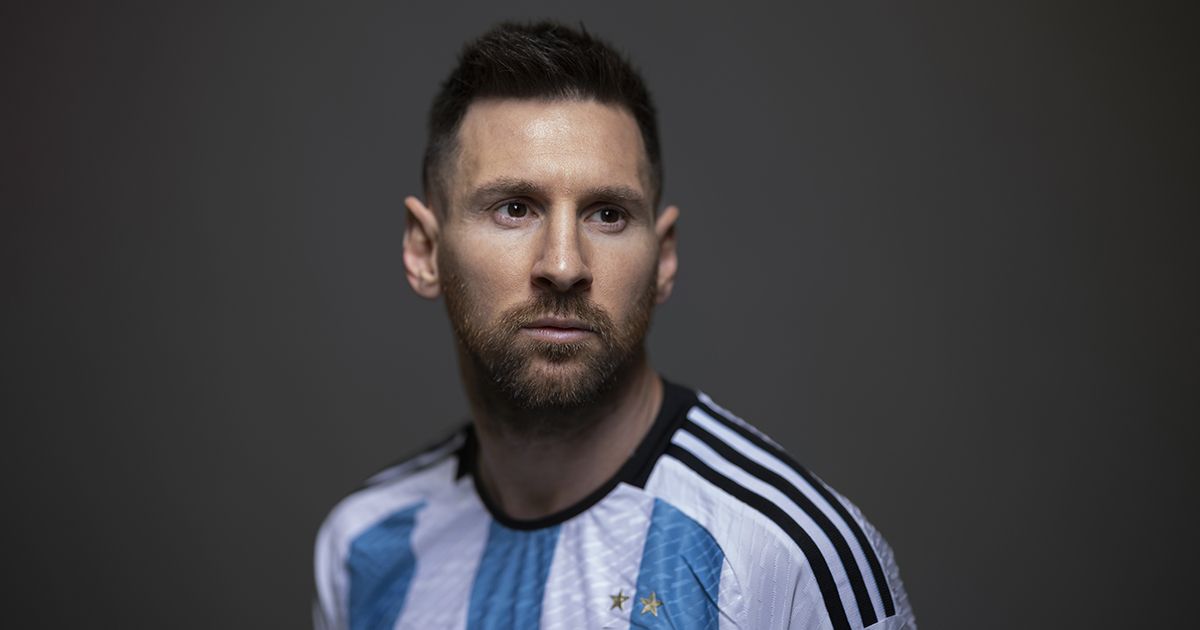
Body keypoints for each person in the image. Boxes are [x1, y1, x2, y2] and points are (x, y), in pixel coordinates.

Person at [313, 20, 916, 630]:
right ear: (424, 251)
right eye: (514, 209)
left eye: (608, 214)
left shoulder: (785, 559)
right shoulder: (365, 547)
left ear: (665, 257)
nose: (564, 265)